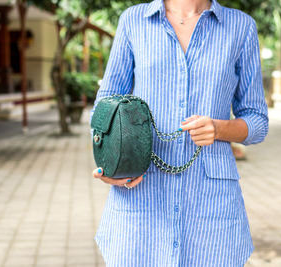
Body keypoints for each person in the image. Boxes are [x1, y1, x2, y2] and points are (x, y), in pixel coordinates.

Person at [90, 0, 269, 266]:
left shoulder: (240, 27)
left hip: (211, 204)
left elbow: (257, 121)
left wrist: (219, 129)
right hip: (142, 195)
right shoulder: (133, 21)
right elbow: (105, 108)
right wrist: (109, 164)